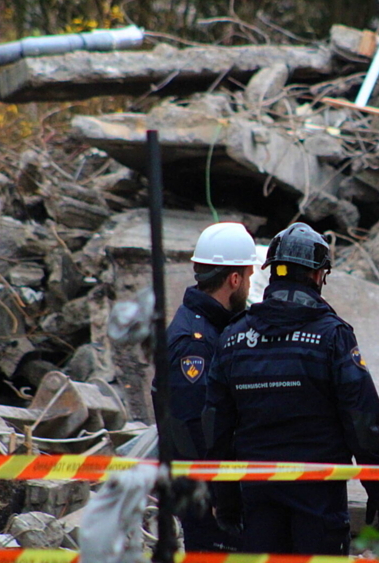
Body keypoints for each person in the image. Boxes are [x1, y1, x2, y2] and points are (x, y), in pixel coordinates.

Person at [203, 222, 379, 553]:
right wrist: (378, 488)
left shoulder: (233, 337)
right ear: (319, 275)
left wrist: (225, 496)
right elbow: (361, 417)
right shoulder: (332, 336)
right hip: (318, 493)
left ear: (272, 272)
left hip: (258, 491)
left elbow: (216, 425)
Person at [152, 221, 257, 552]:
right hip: (205, 495)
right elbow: (190, 425)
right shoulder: (194, 341)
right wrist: (216, 493)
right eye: (248, 277)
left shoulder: (213, 326)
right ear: (234, 279)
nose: (249, 286)